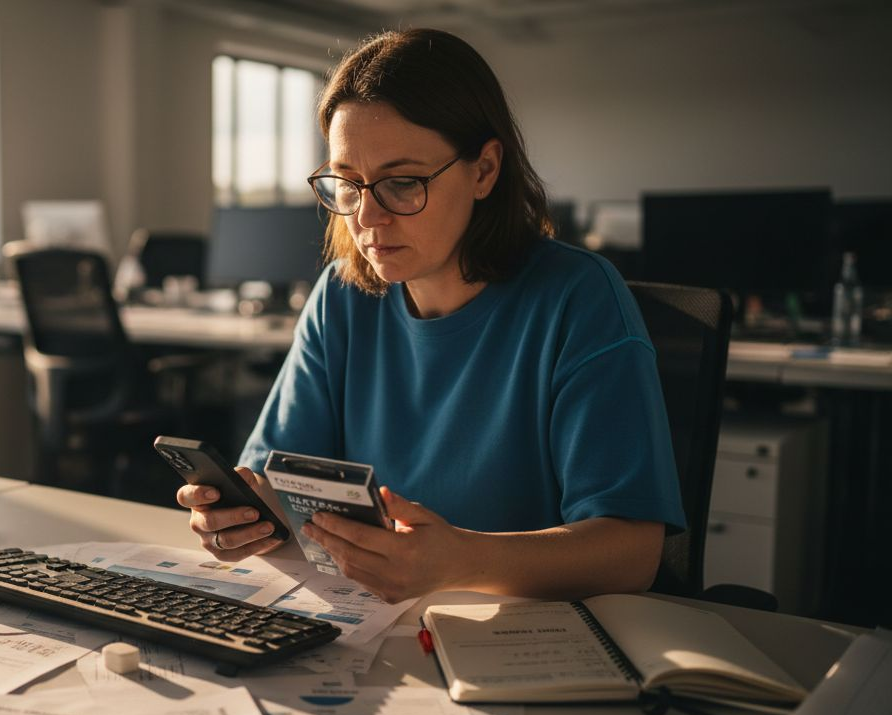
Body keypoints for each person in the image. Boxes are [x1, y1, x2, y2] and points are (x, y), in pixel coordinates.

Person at [176, 28, 683, 604]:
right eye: (347, 183)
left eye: (401, 183)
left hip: (523, 637)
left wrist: (460, 561)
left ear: (485, 170)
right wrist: (239, 518)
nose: (366, 216)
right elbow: (273, 482)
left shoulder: (578, 298)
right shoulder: (342, 294)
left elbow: (632, 554)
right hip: (377, 624)